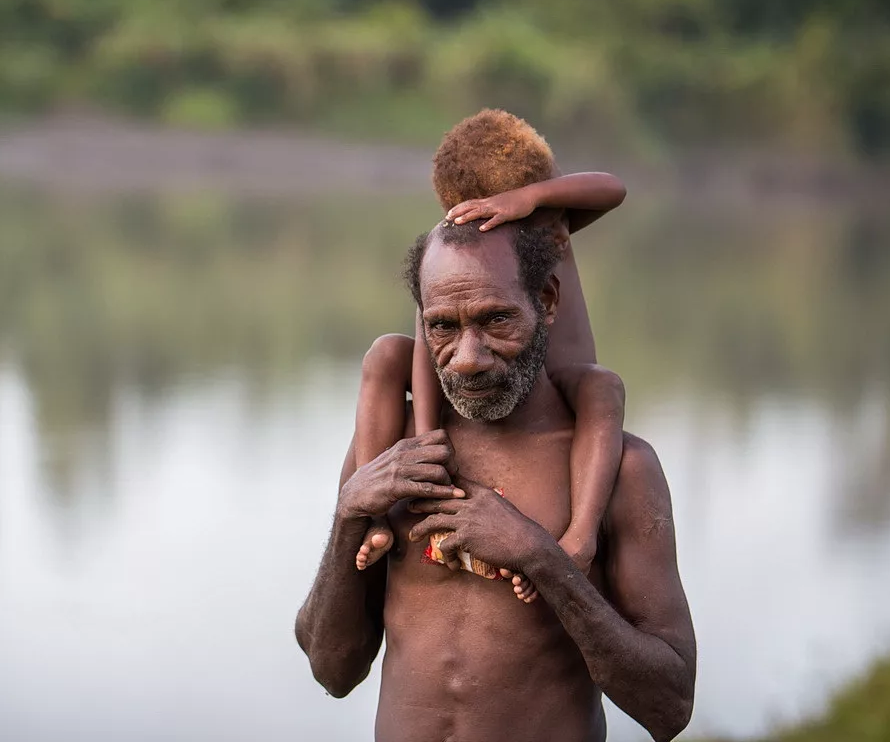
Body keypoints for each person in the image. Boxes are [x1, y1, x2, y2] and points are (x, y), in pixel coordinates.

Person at [295, 218, 696, 741]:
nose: (468, 359)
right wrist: (349, 514)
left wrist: (541, 557)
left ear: (547, 301)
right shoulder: (393, 452)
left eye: (496, 320)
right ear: (421, 324)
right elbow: (333, 670)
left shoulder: (620, 469)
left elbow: (669, 707)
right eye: (443, 326)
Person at [352, 111, 627, 603]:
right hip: (482, 372)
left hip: (556, 377)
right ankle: (371, 518)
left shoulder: (545, 221)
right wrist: (428, 445)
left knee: (603, 386)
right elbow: (427, 340)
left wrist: (533, 200)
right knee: (386, 353)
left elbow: (612, 188)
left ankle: (580, 539)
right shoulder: (454, 249)